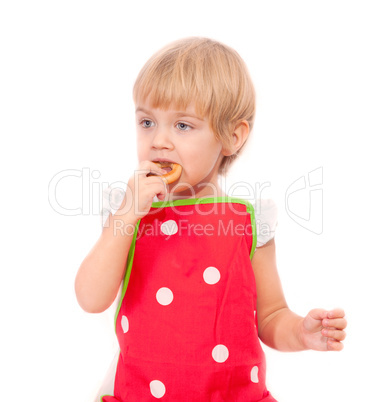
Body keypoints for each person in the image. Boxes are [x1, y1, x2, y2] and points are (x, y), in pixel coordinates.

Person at [75, 37, 347, 402]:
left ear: (232, 136)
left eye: (183, 126)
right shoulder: (129, 215)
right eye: (147, 121)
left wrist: (300, 332)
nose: (159, 140)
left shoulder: (249, 222)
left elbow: (270, 316)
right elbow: (90, 298)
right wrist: (126, 215)